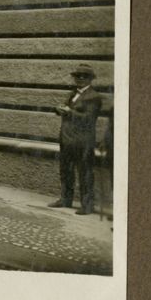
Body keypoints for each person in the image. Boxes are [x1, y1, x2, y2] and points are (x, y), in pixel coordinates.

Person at [48, 64, 102, 215]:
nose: (80, 79)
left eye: (83, 77)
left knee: (85, 173)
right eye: (77, 76)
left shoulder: (94, 97)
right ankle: (66, 199)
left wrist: (69, 112)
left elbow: (89, 119)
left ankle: (87, 205)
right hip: (67, 139)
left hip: (83, 142)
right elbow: (66, 109)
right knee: (66, 170)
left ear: (90, 79)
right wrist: (58, 109)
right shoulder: (73, 94)